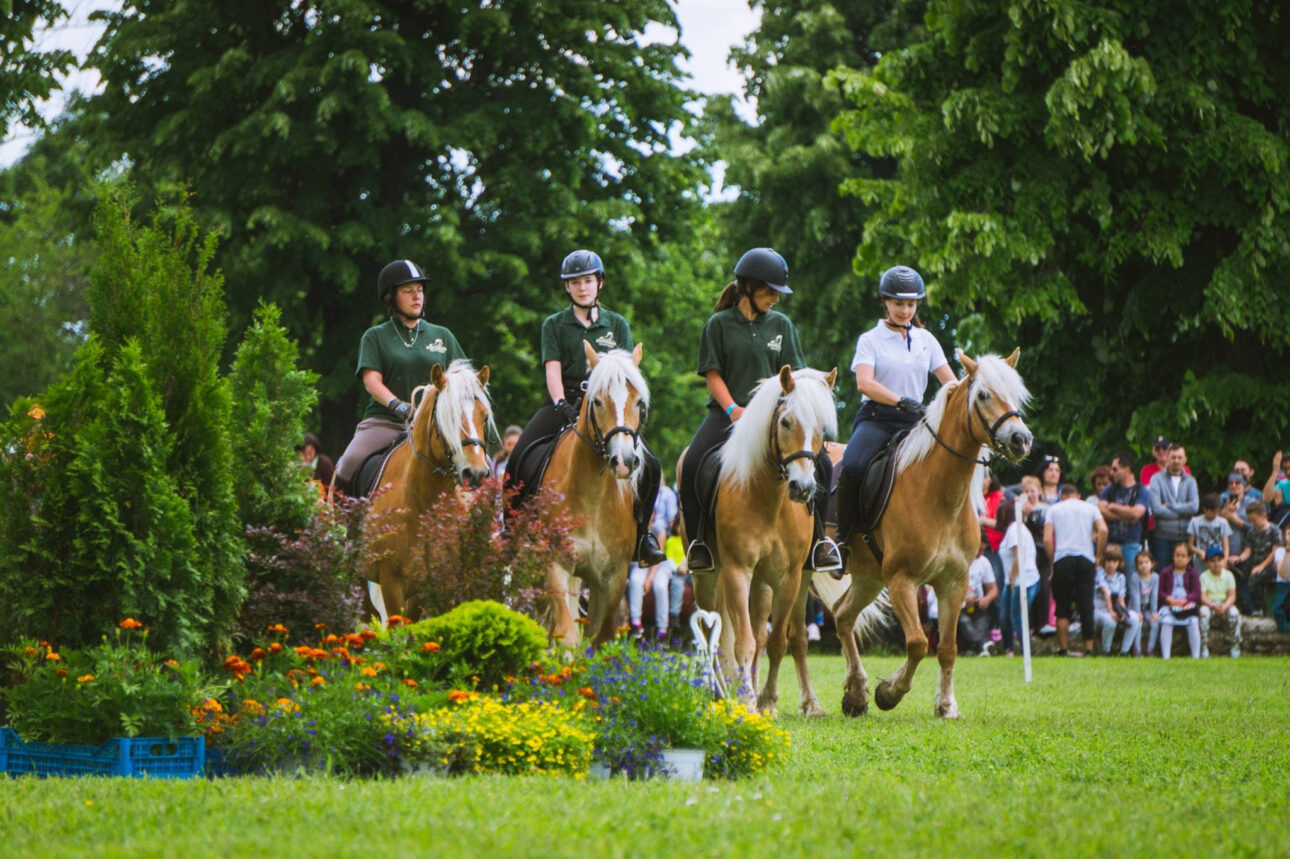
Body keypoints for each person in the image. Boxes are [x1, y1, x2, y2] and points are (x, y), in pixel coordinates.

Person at [680, 248, 841, 573]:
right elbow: (712, 374)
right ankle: (699, 543)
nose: (776, 299)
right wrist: (732, 410)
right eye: (770, 291)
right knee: (694, 462)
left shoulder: (781, 325)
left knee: (821, 462)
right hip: (728, 415)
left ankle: (818, 543)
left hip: (776, 419)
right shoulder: (718, 325)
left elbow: (795, 376)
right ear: (749, 287)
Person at [503, 250, 665, 566]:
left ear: (599, 283)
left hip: (608, 406)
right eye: (575, 282)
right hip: (565, 400)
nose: (582, 287)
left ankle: (642, 537)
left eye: (587, 281)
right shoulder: (554, 324)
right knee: (520, 455)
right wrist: (561, 402)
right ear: (567, 287)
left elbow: (626, 372)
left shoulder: (617, 323)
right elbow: (552, 368)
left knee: (652, 466)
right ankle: (511, 530)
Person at [833, 264, 955, 568]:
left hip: (918, 422)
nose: (905, 310)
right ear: (885, 302)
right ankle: (841, 541)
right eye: (899, 303)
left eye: (911, 304)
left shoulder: (928, 340)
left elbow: (951, 384)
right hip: (877, 419)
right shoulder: (869, 339)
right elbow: (864, 383)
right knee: (853, 467)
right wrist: (901, 401)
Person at [334, 259, 467, 493]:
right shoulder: (375, 336)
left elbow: (462, 379)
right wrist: (398, 406)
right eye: (408, 291)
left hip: (434, 428)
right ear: (391, 297)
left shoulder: (443, 336)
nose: (417, 297)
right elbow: (371, 381)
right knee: (348, 465)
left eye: (420, 290)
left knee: (475, 466)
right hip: (386, 421)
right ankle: (342, 524)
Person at [1043, 483, 1107, 656]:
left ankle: (1064, 648)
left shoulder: (1054, 509)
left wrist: (1052, 561)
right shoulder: (1090, 508)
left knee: (1062, 606)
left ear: (1062, 496)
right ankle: (1089, 648)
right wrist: (1098, 555)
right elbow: (1103, 529)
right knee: (1086, 604)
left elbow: (1047, 539)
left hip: (1063, 558)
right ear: (1078, 495)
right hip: (1086, 557)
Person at [996, 493, 1039, 656]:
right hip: (1013, 580)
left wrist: (1013, 578)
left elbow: (1019, 555)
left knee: (1018, 617)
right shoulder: (1013, 529)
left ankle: (1025, 650)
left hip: (1023, 580)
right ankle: (1009, 649)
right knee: (1004, 617)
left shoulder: (1015, 528)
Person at [1148, 444, 1199, 570]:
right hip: (1163, 536)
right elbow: (1156, 509)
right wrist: (1183, 511)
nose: (1176, 461)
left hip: (1185, 536)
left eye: (1179, 457)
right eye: (1173, 457)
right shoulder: (1156, 479)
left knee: (1186, 573)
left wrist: (1171, 506)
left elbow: (1194, 507)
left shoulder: (1191, 481)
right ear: (1168, 459)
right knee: (1163, 573)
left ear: (1185, 460)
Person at [1098, 451, 1150, 572]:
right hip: (1110, 544)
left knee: (1131, 583)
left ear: (1126, 469)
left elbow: (1136, 514)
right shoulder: (1109, 490)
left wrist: (1113, 506)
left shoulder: (1141, 491)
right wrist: (1127, 513)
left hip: (1131, 544)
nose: (1112, 473)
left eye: (1115, 469)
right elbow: (1100, 509)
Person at [1157, 542, 1202, 659]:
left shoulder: (1193, 573)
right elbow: (1160, 591)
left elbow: (1197, 592)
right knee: (1166, 621)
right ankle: (1166, 656)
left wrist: (1186, 600)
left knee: (1193, 622)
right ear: (1173, 556)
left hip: (1186, 606)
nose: (1180, 558)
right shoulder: (1166, 572)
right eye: (1177, 555)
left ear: (1189, 558)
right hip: (1170, 606)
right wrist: (1168, 599)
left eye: (1183, 556)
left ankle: (1196, 656)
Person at [1092, 544, 1138, 656]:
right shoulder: (1099, 572)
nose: (1111, 564)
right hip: (1100, 608)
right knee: (1110, 622)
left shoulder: (1121, 577)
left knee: (1134, 618)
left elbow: (1121, 599)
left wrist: (1121, 612)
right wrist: (1112, 612)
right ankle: (1105, 650)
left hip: (1115, 607)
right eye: (1108, 561)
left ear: (1119, 562)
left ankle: (1124, 651)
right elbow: (1106, 592)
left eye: (1114, 561)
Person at [958, 533, 998, 655]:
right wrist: (964, 600)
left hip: (977, 605)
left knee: (982, 622)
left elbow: (993, 589)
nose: (981, 553)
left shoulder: (984, 562)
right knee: (964, 622)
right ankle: (983, 645)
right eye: (978, 550)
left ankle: (982, 647)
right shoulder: (958, 561)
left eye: (983, 550)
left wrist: (987, 599)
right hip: (960, 607)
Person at [1198, 545, 1242, 658]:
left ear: (1224, 561)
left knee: (1234, 613)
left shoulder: (1229, 575)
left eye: (1219, 560)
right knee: (1203, 613)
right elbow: (1202, 596)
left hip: (1225, 603)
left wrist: (1225, 606)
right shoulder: (1203, 576)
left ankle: (1235, 645)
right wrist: (1213, 605)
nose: (1216, 563)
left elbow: (1232, 595)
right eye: (1212, 561)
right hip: (1210, 603)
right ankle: (1203, 646)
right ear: (1207, 563)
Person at [1241, 501, 1282, 615]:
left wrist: (1261, 566)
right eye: (1250, 521)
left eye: (1254, 520)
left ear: (1263, 515)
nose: (1252, 523)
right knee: (1249, 580)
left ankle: (1261, 609)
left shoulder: (1275, 531)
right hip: (1256, 563)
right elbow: (1248, 551)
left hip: (1271, 564)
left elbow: (1275, 552)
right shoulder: (1251, 532)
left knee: (1256, 579)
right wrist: (1239, 558)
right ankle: (1259, 609)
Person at [1126, 551, 1160, 657]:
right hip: (1134, 608)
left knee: (1155, 623)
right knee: (1138, 623)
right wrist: (1137, 612)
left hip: (1147, 608)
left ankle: (1150, 648)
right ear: (1137, 566)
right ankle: (1137, 649)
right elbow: (1135, 595)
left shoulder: (1155, 577)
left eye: (1146, 562)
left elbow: (1154, 595)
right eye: (1140, 563)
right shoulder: (1135, 577)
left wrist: (1154, 612)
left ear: (1152, 564)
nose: (1144, 565)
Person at [1187, 493, 1232, 563]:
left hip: (1217, 560)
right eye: (1213, 512)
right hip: (1201, 560)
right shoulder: (1195, 522)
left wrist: (1225, 561)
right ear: (1205, 509)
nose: (1216, 515)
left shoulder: (1223, 522)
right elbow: (1190, 545)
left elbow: (1226, 546)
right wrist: (1199, 551)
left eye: (1217, 512)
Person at [1270, 528, 1290, 633]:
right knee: (1277, 608)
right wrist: (1288, 551)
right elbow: (1283, 575)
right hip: (1283, 584)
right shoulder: (1280, 551)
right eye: (1289, 533)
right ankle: (1284, 632)